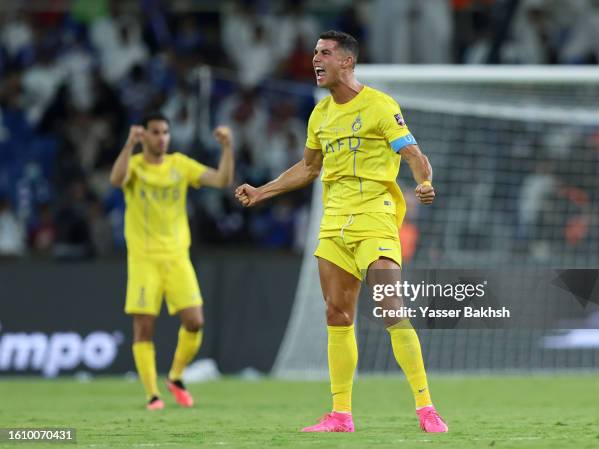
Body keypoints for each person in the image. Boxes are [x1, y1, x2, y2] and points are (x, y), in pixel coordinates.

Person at [235, 30, 447, 433]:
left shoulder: (381, 106)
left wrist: (423, 182)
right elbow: (310, 168)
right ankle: (340, 415)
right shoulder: (320, 114)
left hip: (374, 217)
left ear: (347, 61)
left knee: (390, 308)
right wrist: (262, 191)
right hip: (334, 222)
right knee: (337, 314)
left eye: (325, 53)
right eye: (315, 52)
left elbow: (414, 155)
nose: (316, 59)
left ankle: (426, 407)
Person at [110, 113, 234, 410]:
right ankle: (153, 394)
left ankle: (176, 376)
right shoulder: (135, 167)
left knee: (195, 321)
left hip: (177, 257)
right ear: (145, 137)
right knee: (144, 327)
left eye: (165, 132)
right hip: (144, 260)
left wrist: (228, 147)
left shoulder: (180, 164)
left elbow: (222, 179)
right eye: (155, 132)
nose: (162, 137)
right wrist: (129, 144)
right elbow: (116, 180)